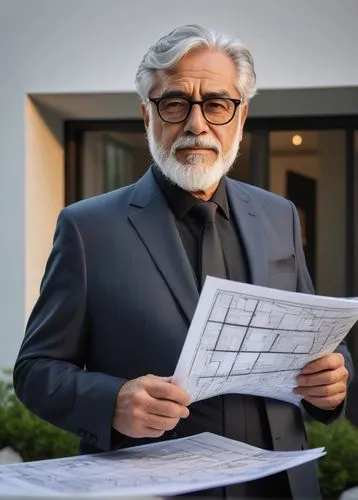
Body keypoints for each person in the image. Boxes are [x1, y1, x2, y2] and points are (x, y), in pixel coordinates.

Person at [14, 25, 352, 499]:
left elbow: (316, 340)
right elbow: (35, 369)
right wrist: (111, 401)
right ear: (146, 117)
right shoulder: (87, 228)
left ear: (241, 116)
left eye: (216, 104)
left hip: (282, 485)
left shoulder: (280, 216)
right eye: (174, 104)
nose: (196, 125)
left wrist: (336, 376)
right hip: (153, 490)